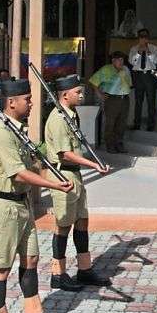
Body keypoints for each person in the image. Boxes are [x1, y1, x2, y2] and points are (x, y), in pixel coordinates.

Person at [0, 78, 75, 313]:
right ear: (11, 102)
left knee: (31, 260)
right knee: (1, 268)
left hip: (22, 205)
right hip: (3, 206)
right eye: (27, 99)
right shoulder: (1, 133)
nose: (32, 103)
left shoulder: (18, 131)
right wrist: (53, 184)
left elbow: (31, 164)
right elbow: (19, 173)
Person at [44, 75, 113, 291]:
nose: (82, 95)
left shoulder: (71, 115)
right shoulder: (57, 119)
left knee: (82, 221)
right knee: (63, 225)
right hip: (63, 175)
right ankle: (58, 273)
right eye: (78, 92)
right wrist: (94, 165)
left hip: (76, 177)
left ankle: (84, 270)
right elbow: (64, 154)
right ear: (65, 95)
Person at [87, 51, 132, 153]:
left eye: (122, 60)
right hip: (112, 99)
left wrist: (122, 76)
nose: (121, 62)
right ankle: (110, 145)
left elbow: (129, 84)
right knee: (110, 123)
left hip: (124, 98)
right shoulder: (106, 69)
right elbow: (93, 81)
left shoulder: (125, 69)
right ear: (113, 60)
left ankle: (119, 144)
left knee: (122, 123)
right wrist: (100, 94)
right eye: (118, 60)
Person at [129, 29, 157, 132]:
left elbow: (156, 61)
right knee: (138, 100)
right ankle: (137, 123)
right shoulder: (134, 48)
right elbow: (131, 62)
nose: (143, 39)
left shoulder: (154, 48)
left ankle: (151, 124)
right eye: (141, 37)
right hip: (138, 75)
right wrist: (138, 53)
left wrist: (148, 52)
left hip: (149, 74)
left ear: (148, 37)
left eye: (145, 36)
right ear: (139, 38)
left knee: (151, 100)